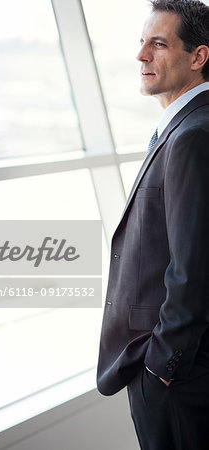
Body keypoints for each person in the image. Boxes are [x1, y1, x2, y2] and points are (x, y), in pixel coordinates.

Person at [96, 1, 209, 449]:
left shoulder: (192, 137)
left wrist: (161, 368)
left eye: (158, 44)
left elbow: (193, 271)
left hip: (176, 376)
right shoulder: (181, 127)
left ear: (198, 56)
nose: (142, 55)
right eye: (142, 43)